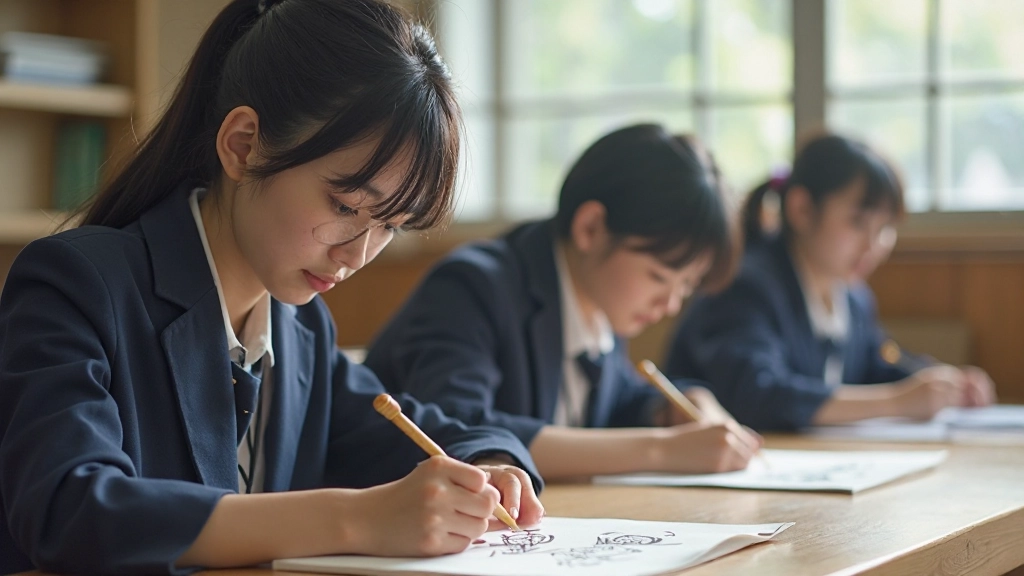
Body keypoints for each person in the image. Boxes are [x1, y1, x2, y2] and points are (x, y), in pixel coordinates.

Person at [0, 1, 544, 573]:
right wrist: (356, 518)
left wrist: (489, 464)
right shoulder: (76, 285)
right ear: (242, 145)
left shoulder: (299, 325)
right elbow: (71, 510)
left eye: (390, 225)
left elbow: (409, 429)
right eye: (346, 205)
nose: (357, 254)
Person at [365, 124, 762, 482]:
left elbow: (618, 403)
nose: (671, 303)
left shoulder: (595, 298)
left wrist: (680, 404)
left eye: (686, 285)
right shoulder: (474, 286)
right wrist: (660, 449)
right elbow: (458, 427)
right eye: (660, 277)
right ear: (591, 228)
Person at [665, 134, 996, 431]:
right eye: (858, 223)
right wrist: (896, 402)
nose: (873, 244)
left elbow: (875, 367)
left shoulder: (853, 298)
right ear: (802, 209)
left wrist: (942, 382)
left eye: (885, 229)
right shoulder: (745, 285)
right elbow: (758, 395)